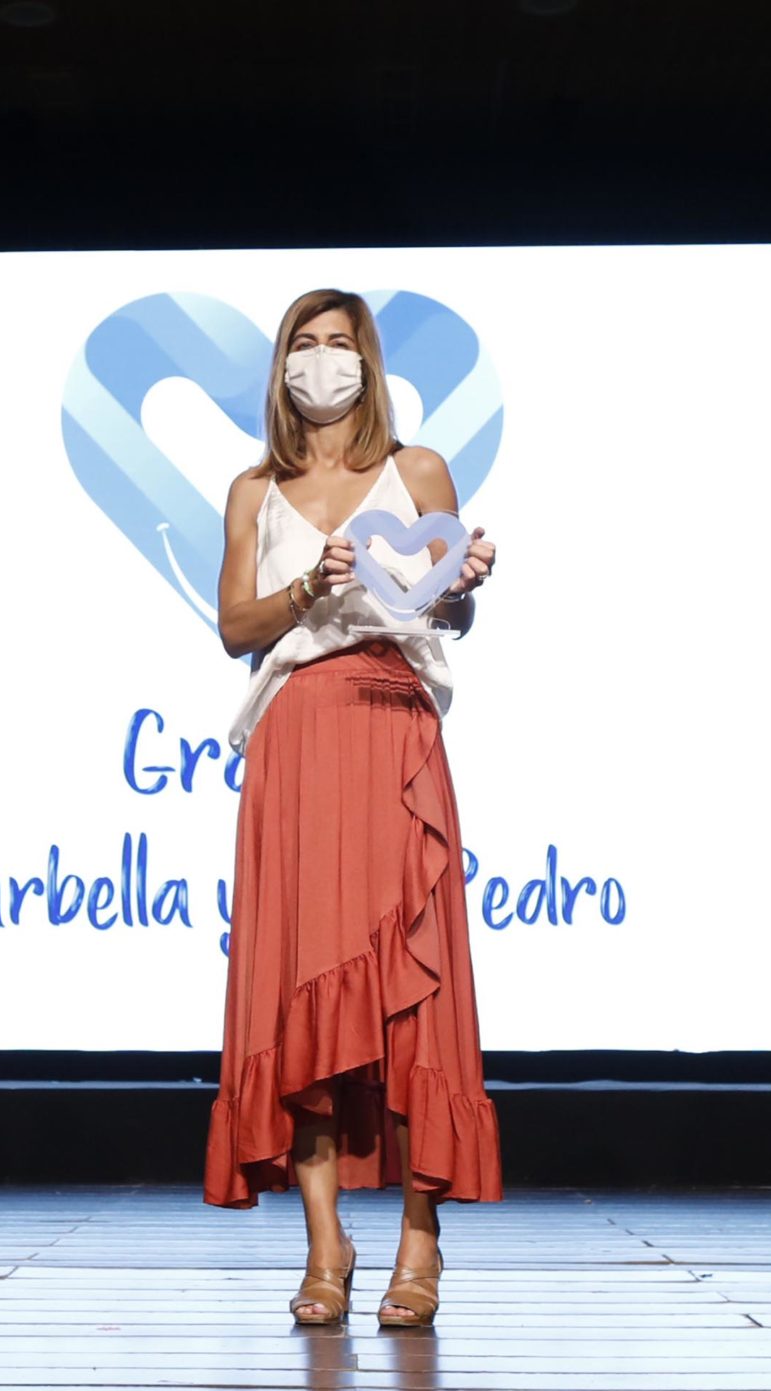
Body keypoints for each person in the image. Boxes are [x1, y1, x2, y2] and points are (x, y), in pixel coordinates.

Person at [204, 288, 500, 1329]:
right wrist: (308, 589)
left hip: (392, 727)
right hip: (297, 736)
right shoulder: (254, 490)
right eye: (305, 344)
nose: (321, 361)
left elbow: (446, 606)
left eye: (340, 344)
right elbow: (234, 625)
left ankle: (421, 1239)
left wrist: (465, 583)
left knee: (409, 987)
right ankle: (325, 1243)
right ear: (281, 366)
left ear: (369, 364)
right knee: (303, 989)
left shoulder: (417, 472)